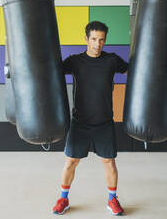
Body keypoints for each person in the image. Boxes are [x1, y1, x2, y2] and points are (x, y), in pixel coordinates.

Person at [52, 21, 128, 216]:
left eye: (101, 40)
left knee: (109, 162)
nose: (97, 44)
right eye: (94, 39)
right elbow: (51, 72)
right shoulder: (75, 61)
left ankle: (112, 200)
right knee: (70, 162)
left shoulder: (112, 60)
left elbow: (135, 72)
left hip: (104, 122)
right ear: (86, 39)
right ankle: (63, 198)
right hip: (80, 122)